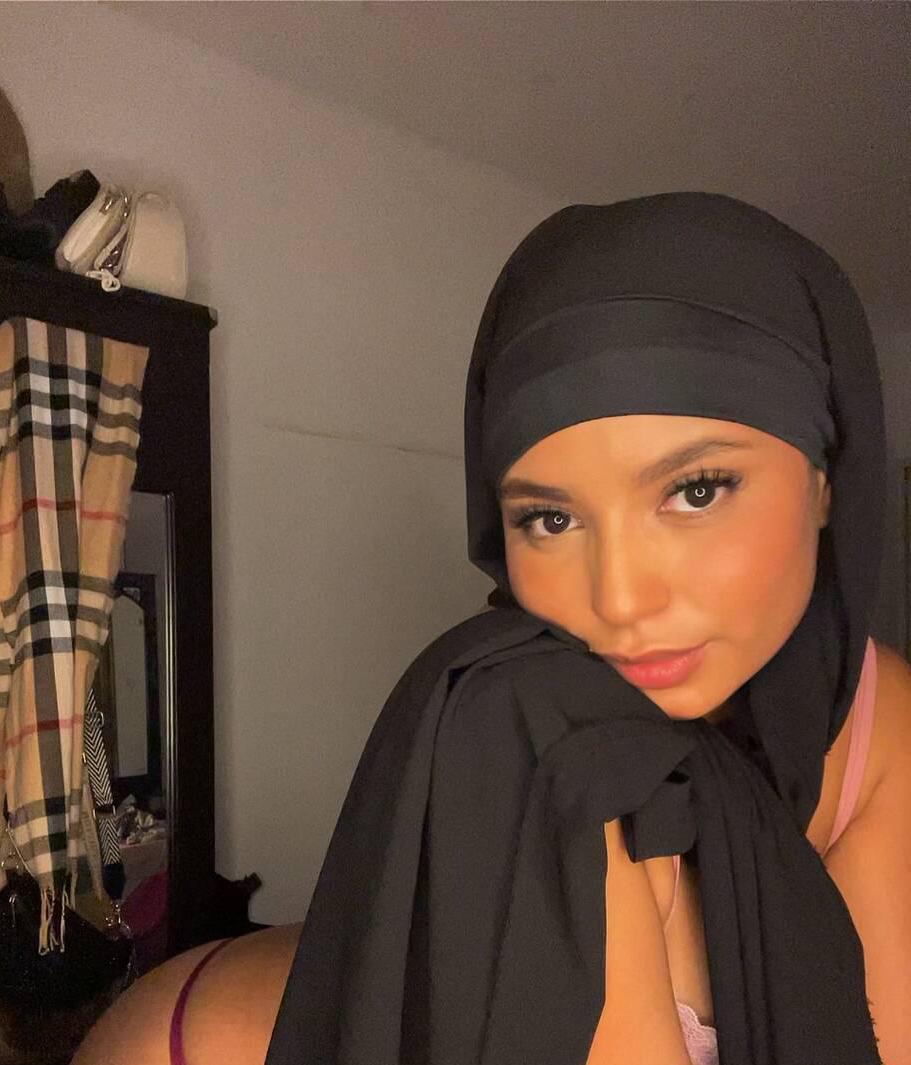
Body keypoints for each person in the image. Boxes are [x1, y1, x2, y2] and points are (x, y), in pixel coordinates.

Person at [73, 193, 910, 1065]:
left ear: (826, 478)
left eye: (695, 491)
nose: (621, 599)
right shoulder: (538, 736)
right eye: (551, 518)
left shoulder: (872, 721)